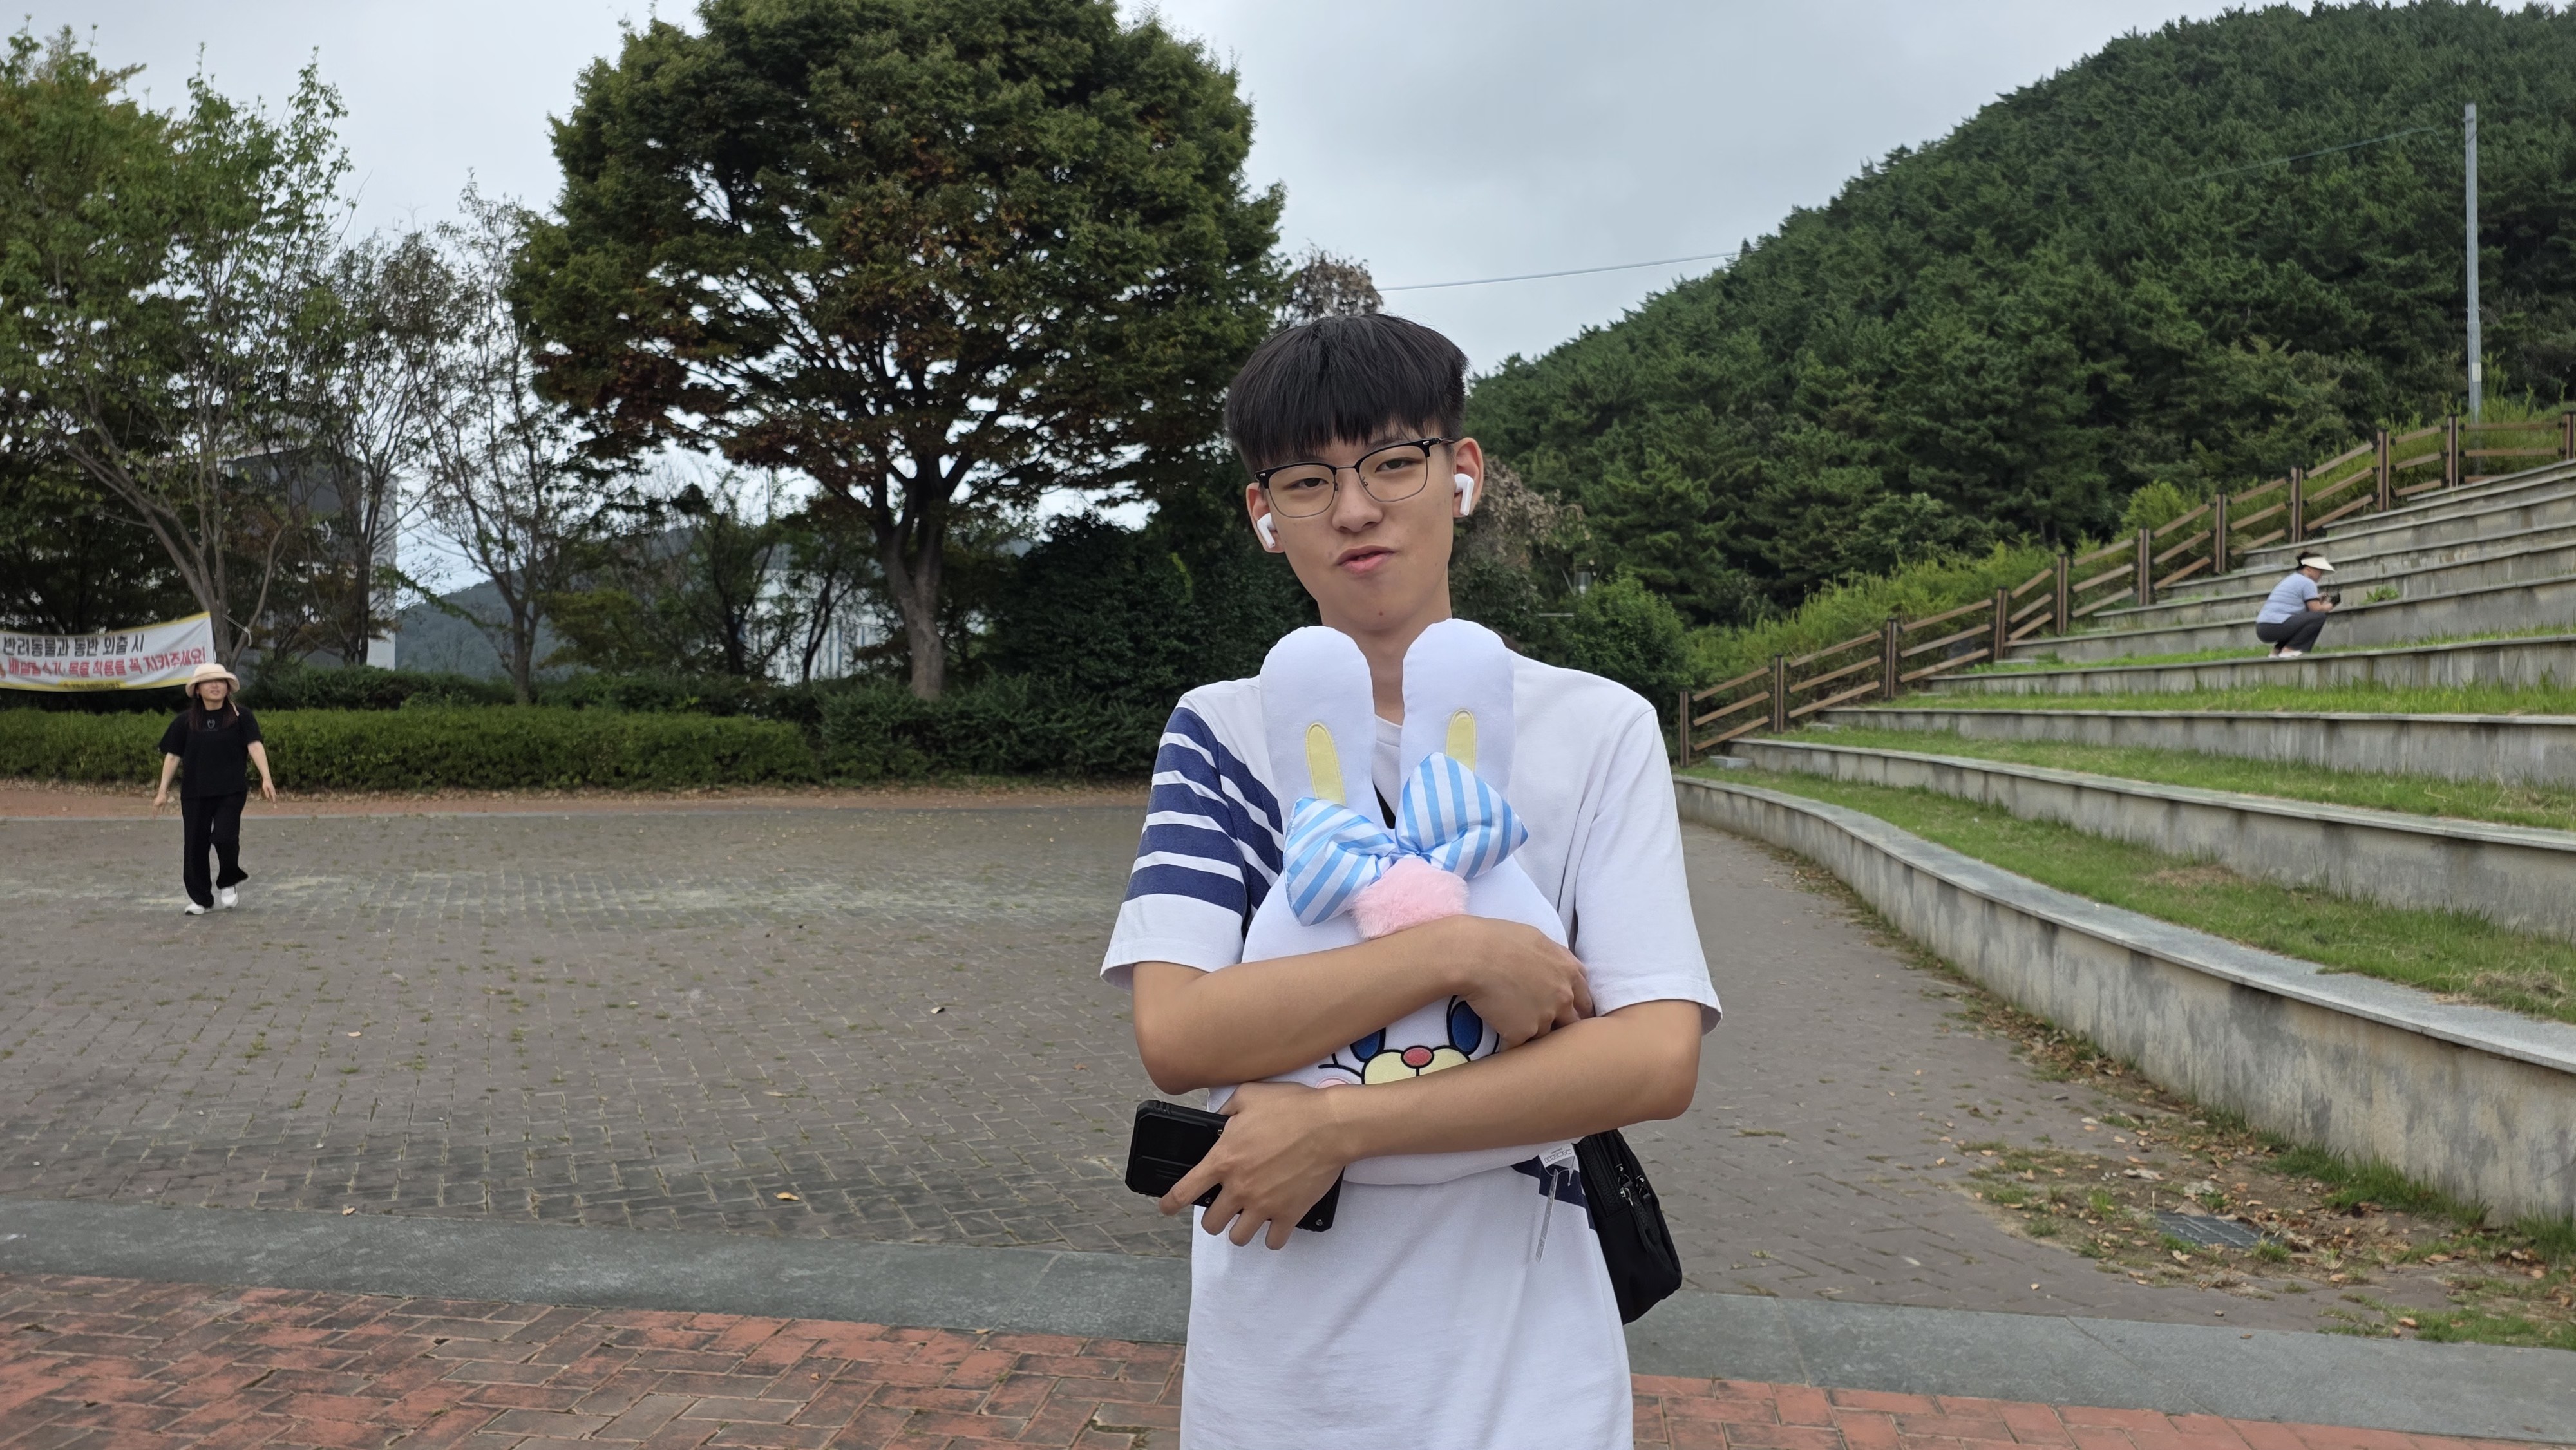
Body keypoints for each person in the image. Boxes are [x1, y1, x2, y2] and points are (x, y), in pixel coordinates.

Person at [1100, 314, 1720, 1450]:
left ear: (1462, 472)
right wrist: (1455, 950)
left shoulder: (1600, 727)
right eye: (1307, 480)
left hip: (1528, 1365)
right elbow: (1180, 1033)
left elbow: (1654, 1054)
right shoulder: (1222, 733)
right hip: (1277, 1377)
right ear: (1263, 513)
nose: (1355, 508)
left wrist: (1340, 1125)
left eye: (1393, 461)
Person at [151, 661, 276, 915]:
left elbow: (255, 745)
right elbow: (173, 756)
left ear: (228, 687)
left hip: (231, 790)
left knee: (225, 837)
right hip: (195, 793)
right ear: (198, 690)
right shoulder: (185, 722)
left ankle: (228, 881)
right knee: (195, 845)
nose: (215, 686)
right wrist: (162, 791)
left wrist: (266, 777)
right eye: (208, 682)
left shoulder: (242, 717)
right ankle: (201, 899)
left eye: (220, 681)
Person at [2255, 551, 2338, 657]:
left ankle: (2277, 652)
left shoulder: (2292, 579)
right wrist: (2330, 605)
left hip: (2263, 627)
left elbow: (2299, 609)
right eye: (2319, 570)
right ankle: (2290, 650)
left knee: (2300, 621)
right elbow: (2316, 610)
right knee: (2319, 617)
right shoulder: (2308, 582)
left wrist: (2317, 599)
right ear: (2308, 569)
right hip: (2276, 625)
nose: (2321, 574)